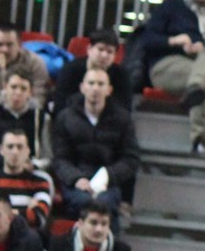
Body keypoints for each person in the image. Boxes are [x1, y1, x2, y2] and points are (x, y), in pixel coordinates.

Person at [135, 0, 205, 155]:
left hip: (203, 66)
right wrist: (175, 41)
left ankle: (196, 88)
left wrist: (202, 51)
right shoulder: (170, 7)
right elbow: (147, 40)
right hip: (167, 65)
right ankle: (200, 140)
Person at [49, 67, 140, 217]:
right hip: (75, 183)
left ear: (109, 90)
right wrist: (76, 178)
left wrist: (108, 175)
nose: (95, 88)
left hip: (109, 184)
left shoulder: (123, 119)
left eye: (100, 84)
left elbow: (130, 159)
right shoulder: (65, 118)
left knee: (104, 205)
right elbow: (60, 158)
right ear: (82, 87)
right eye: (91, 83)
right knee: (85, 203)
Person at [0, 128, 55, 234]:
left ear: (28, 151)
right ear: (1, 149)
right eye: (10, 146)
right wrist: (24, 212)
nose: (15, 152)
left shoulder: (40, 182)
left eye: (20, 147)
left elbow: (38, 217)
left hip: (25, 238)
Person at [0, 73, 49, 175]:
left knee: (46, 178)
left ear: (30, 93)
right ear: (5, 87)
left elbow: (48, 157)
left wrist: (34, 165)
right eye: (13, 87)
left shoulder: (40, 117)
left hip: (28, 170)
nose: (18, 92)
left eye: (23, 89)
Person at [0, 22, 51, 105]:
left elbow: (39, 100)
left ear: (19, 45)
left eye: (9, 45)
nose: (5, 50)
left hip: (25, 110)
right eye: (0, 44)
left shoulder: (35, 62)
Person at [51, 28, 129, 115]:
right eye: (100, 49)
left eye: (110, 52)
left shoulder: (121, 75)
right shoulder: (70, 70)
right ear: (89, 49)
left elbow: (125, 109)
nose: (104, 55)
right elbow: (60, 105)